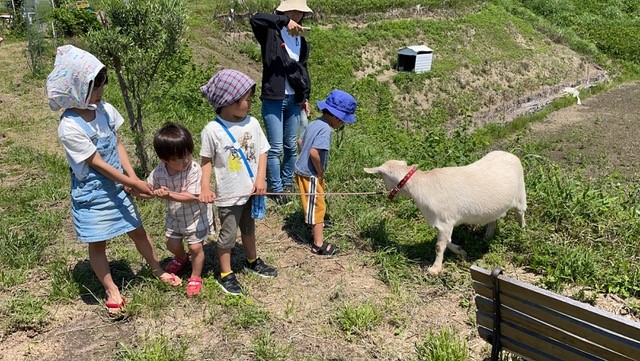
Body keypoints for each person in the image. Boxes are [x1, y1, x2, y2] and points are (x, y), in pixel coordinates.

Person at [46, 45, 181, 315]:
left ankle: (156, 269)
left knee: (137, 230)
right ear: (76, 90)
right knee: (98, 242)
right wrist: (131, 184)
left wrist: (133, 179)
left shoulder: (104, 110)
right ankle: (111, 288)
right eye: (94, 89)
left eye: (101, 87)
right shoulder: (69, 126)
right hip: (93, 192)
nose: (100, 93)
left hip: (117, 184)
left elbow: (118, 144)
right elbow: (95, 162)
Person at [199, 69, 278, 296]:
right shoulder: (212, 130)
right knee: (228, 234)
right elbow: (206, 161)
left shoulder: (252, 123)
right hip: (230, 194)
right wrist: (205, 187)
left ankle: (253, 261)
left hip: (252, 191)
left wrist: (261, 179)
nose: (250, 104)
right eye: (247, 100)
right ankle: (226, 274)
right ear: (229, 101)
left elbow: (263, 152)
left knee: (249, 229)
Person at [250, 0, 313, 205]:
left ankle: (286, 184)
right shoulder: (270, 34)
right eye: (291, 12)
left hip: (294, 99)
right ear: (283, 12)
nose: (296, 16)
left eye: (299, 13)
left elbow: (302, 71)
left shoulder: (301, 42)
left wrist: (304, 98)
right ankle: (275, 190)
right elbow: (255, 18)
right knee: (275, 147)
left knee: (291, 146)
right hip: (273, 98)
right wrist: (284, 21)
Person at [146, 123, 215, 297]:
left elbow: (190, 196)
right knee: (172, 244)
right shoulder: (159, 172)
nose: (185, 160)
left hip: (195, 216)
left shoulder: (194, 169)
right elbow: (148, 189)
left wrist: (167, 195)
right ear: (165, 159)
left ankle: (195, 276)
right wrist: (135, 189)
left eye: (188, 155)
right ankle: (181, 257)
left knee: (196, 247)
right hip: (175, 216)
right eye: (179, 158)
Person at [295, 90, 357, 255]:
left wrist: (302, 158)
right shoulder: (326, 130)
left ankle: (315, 226)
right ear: (336, 117)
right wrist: (320, 172)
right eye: (343, 121)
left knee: (314, 202)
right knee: (318, 207)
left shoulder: (315, 122)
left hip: (301, 170)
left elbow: (300, 142)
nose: (342, 124)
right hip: (311, 174)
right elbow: (314, 152)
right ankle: (318, 244)